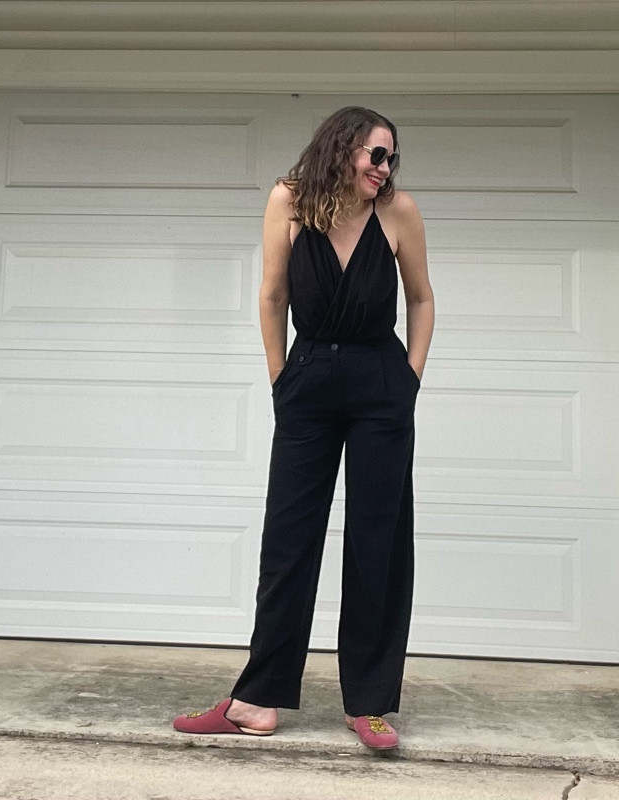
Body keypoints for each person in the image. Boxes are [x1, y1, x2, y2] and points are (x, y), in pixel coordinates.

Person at [173, 106, 434, 750]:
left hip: (380, 384)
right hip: (309, 377)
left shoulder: (399, 212)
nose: (385, 168)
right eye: (377, 154)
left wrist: (408, 380)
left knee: (379, 540)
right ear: (343, 148)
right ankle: (257, 700)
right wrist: (279, 376)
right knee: (289, 539)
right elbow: (271, 295)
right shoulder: (289, 202)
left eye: (391, 158)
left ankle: (370, 704)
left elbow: (423, 298)